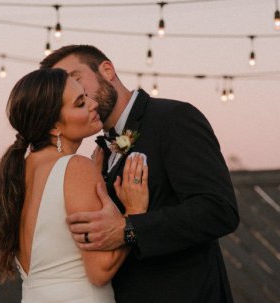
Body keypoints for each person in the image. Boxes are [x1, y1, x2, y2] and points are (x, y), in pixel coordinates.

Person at [40, 46, 240, 303]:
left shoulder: (174, 118)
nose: (75, 93)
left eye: (76, 79)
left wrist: (129, 229)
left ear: (107, 70)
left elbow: (219, 210)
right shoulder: (100, 153)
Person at [0, 67, 150, 302]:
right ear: (54, 126)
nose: (93, 103)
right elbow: (100, 271)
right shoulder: (75, 167)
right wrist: (134, 214)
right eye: (80, 103)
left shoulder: (20, 172)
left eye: (86, 95)